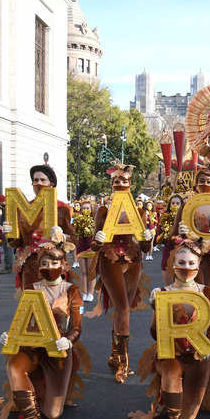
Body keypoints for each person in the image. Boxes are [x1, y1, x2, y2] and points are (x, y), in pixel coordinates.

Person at [125, 239, 210, 419]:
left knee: (190, 416)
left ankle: (180, 408)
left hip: (198, 354)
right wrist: (156, 308)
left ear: (198, 266)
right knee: (171, 372)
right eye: (181, 262)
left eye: (191, 263)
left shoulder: (207, 292)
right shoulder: (162, 292)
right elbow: (155, 333)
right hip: (171, 352)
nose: (186, 268)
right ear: (173, 265)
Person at [0, 238, 86, 419]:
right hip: (32, 347)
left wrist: (68, 340)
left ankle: (38, 393)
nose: (49, 268)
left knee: (53, 413)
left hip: (57, 350)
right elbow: (22, 319)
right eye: (44, 264)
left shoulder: (72, 291)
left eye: (54, 263)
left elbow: (78, 327)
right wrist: (10, 335)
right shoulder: (31, 288)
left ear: (64, 266)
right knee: (14, 365)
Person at [91, 163, 154, 383]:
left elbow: (146, 249)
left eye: (124, 181)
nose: (120, 184)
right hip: (110, 259)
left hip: (133, 258)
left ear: (130, 185)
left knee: (123, 309)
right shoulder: (104, 210)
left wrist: (147, 238)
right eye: (116, 181)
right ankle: (124, 364)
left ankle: (115, 354)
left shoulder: (139, 212)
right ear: (111, 184)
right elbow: (94, 244)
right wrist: (97, 241)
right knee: (123, 308)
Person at [3, 163, 74, 290]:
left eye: (42, 180)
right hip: (30, 266)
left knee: (55, 306)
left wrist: (62, 237)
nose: (38, 183)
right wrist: (10, 234)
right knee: (31, 305)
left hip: (54, 265)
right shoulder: (24, 208)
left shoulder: (62, 208)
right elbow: (19, 242)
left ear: (51, 183)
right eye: (35, 180)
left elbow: (74, 237)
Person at [172, 158, 210, 291]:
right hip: (191, 255)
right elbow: (171, 237)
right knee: (194, 293)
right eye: (202, 181)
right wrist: (181, 234)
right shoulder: (186, 205)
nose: (205, 184)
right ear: (196, 184)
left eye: (209, 181)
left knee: (209, 294)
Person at [73, 198, 96, 302]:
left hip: (92, 247)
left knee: (91, 272)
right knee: (83, 272)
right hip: (81, 247)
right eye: (84, 208)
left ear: (91, 209)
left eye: (87, 208)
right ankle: (84, 292)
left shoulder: (95, 220)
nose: (86, 209)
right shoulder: (78, 220)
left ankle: (90, 293)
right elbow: (75, 234)